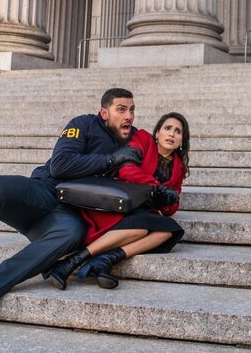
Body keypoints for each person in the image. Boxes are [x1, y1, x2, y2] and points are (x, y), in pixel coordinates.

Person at [0, 88, 142, 339]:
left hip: (70, 214)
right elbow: (60, 165)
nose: (128, 116)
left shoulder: (136, 140)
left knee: (71, 234)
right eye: (121, 110)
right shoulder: (83, 124)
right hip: (42, 191)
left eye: (131, 110)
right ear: (104, 113)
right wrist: (111, 160)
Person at [44, 112, 189, 290]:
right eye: (167, 128)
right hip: (120, 204)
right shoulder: (143, 139)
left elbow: (171, 207)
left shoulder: (179, 167)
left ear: (181, 141)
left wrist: (167, 199)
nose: (172, 134)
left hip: (144, 211)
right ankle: (71, 262)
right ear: (158, 132)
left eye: (178, 131)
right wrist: (155, 188)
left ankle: (105, 260)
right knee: (141, 229)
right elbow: (126, 169)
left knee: (170, 231)